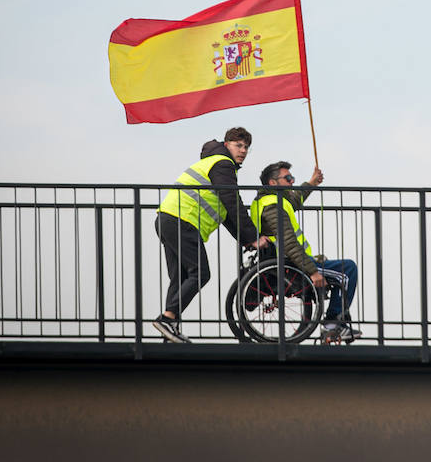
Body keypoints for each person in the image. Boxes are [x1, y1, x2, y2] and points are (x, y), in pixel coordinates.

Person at [151, 127, 268, 343]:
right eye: (238, 145)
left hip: (168, 218)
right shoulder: (223, 164)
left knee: (180, 278)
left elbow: (227, 215)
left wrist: (247, 239)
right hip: (182, 220)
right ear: (227, 145)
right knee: (200, 273)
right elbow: (232, 202)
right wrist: (253, 236)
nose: (243, 150)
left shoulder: (214, 164)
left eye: (246, 147)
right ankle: (167, 318)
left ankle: (170, 329)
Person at [253, 160, 362, 344]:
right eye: (288, 178)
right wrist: (312, 271)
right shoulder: (273, 205)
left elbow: (295, 199)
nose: (292, 181)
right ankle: (333, 325)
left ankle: (334, 322)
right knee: (347, 270)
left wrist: (312, 182)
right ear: (273, 183)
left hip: (292, 261)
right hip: (293, 264)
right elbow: (288, 243)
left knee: (338, 269)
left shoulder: (275, 200)